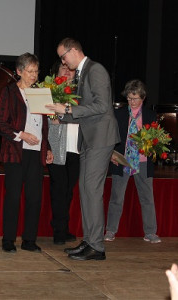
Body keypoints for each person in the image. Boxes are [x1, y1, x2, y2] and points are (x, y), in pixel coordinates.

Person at [46, 37, 120, 261]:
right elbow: (85, 109)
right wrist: (61, 113)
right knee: (87, 191)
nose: (63, 61)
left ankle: (96, 246)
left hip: (100, 137)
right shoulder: (82, 72)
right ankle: (89, 241)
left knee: (92, 191)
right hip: (89, 138)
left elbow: (101, 105)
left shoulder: (95, 70)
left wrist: (67, 107)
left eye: (63, 56)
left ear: (74, 50)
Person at [0, 52, 53, 253]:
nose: (34, 75)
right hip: (16, 151)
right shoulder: (9, 92)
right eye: (29, 71)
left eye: (36, 71)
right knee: (13, 198)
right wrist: (21, 135)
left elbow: (44, 125)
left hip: (36, 152)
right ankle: (8, 241)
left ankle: (29, 240)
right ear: (19, 71)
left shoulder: (41, 92)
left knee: (35, 198)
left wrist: (48, 147)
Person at [104, 79, 161, 243]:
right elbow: (110, 137)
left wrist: (151, 147)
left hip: (143, 162)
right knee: (116, 198)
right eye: (129, 98)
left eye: (134, 98)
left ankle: (150, 232)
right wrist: (111, 155)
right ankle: (110, 231)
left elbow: (156, 140)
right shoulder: (119, 114)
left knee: (147, 199)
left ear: (142, 98)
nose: (131, 102)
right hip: (122, 161)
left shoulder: (150, 115)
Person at [47, 60, 79, 245]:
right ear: (56, 71)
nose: (66, 71)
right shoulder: (50, 90)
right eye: (63, 68)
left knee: (68, 191)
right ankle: (59, 230)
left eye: (70, 69)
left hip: (76, 147)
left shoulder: (82, 92)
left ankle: (62, 226)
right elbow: (43, 115)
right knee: (59, 189)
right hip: (57, 146)